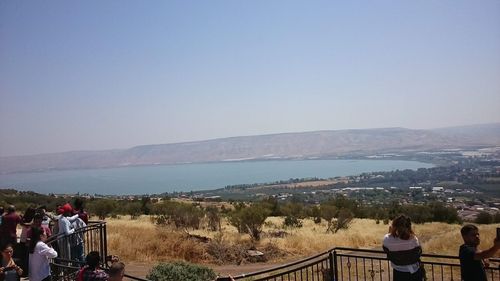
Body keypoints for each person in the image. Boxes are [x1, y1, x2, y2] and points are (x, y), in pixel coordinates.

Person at [382, 215, 423, 281]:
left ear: (394, 226)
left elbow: (385, 247)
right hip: (414, 272)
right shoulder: (413, 239)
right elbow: (419, 251)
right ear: (409, 227)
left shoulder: (387, 239)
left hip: (398, 272)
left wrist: (390, 232)